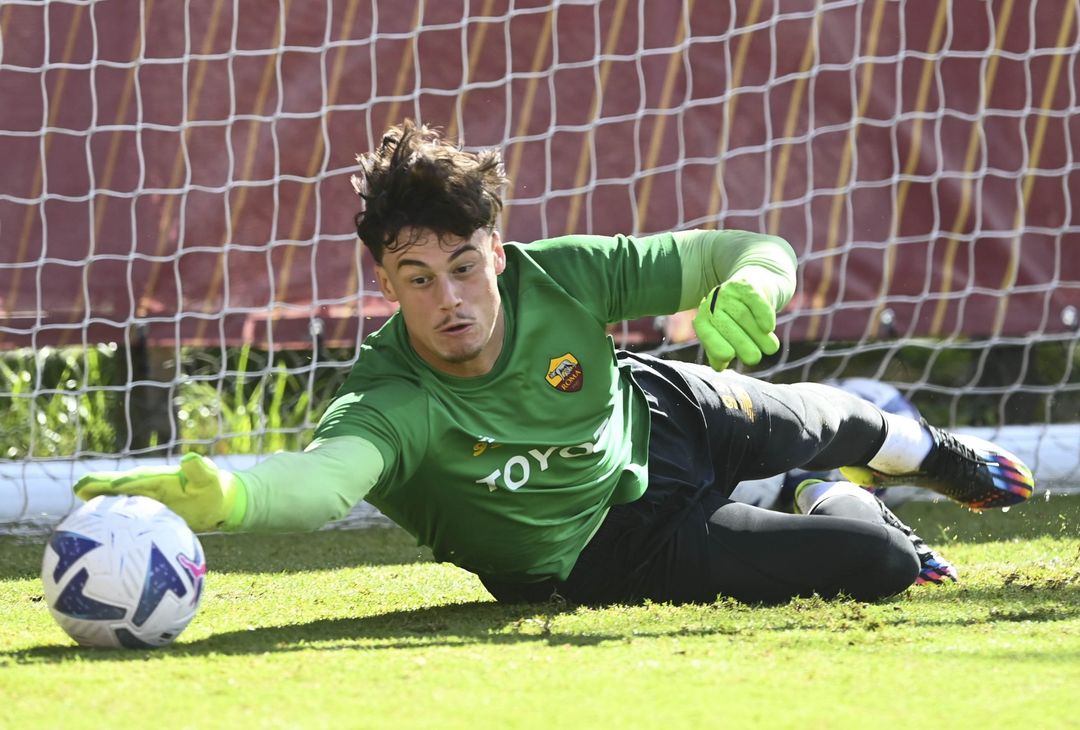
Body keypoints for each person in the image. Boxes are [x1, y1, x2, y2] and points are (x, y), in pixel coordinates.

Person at [75, 121, 1036, 605]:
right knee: (877, 561)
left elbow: (738, 246)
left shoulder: (559, 276)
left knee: (840, 417)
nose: (448, 299)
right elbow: (323, 482)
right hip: (609, 551)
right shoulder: (392, 398)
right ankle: (818, 497)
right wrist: (230, 497)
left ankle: (927, 448)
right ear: (384, 281)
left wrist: (754, 287)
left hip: (658, 415)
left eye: (463, 267)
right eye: (417, 278)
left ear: (495, 251)